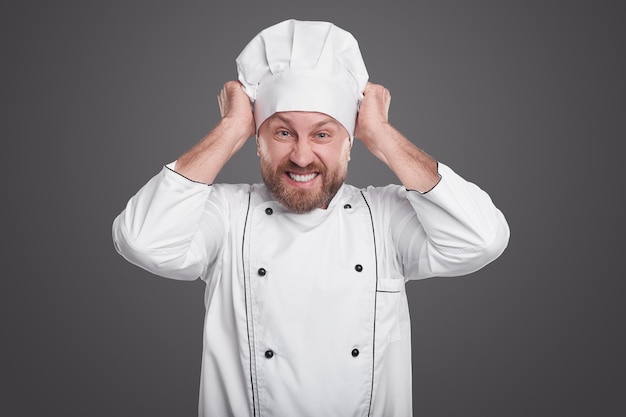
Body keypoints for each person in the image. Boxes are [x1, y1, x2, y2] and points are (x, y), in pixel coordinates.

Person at [112, 19, 509, 417]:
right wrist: (230, 128)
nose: (302, 157)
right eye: (283, 133)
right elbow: (143, 241)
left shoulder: (384, 219)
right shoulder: (228, 215)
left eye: (322, 134)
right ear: (258, 141)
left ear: (350, 144)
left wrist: (383, 135)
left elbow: (482, 239)